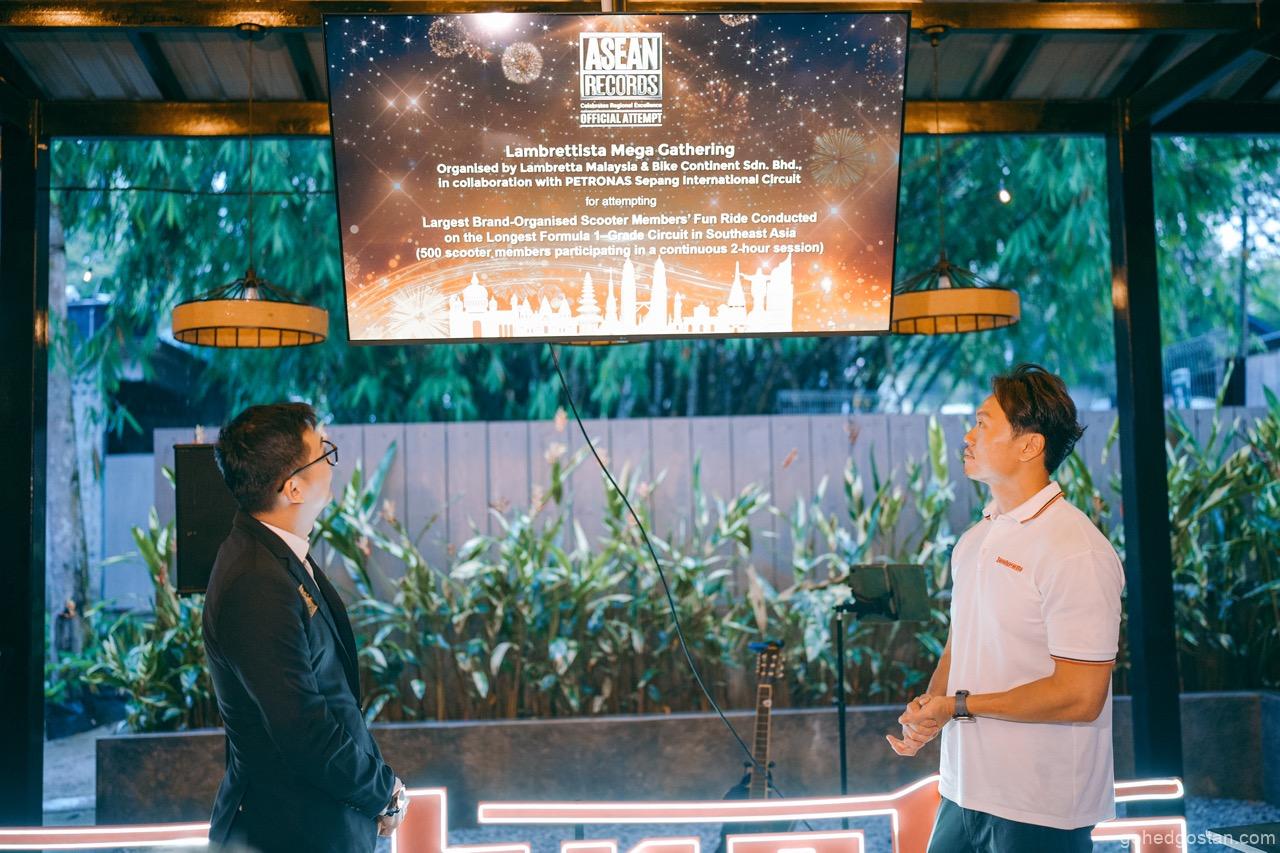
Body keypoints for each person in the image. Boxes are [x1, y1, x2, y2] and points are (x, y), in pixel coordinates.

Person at [886, 365, 1124, 853]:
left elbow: (1080, 695)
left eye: (983, 423)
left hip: (1040, 806)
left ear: (1029, 445)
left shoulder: (1075, 549)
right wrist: (932, 707)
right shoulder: (975, 539)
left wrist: (958, 706)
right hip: (962, 792)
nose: (968, 436)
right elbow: (960, 643)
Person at [203, 403, 408, 852]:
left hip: (317, 821)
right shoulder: (254, 582)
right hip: (289, 831)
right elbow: (303, 729)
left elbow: (332, 697)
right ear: (293, 488)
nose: (333, 462)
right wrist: (382, 793)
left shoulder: (273, 553)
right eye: (324, 452)